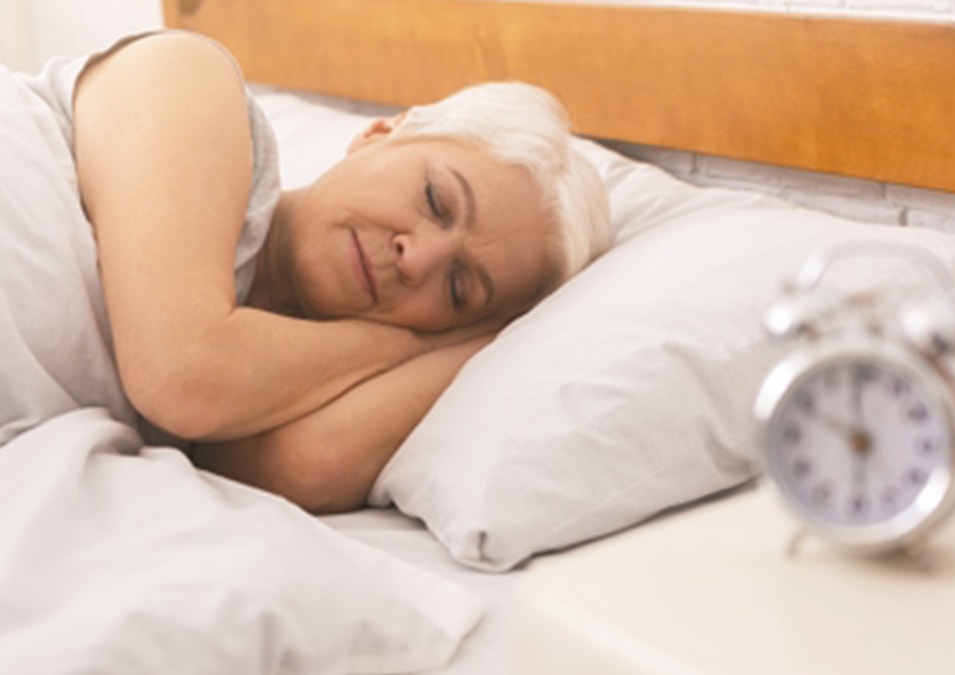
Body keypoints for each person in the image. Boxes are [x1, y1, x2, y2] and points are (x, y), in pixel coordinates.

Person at [0, 31, 611, 511]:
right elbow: (185, 375)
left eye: (458, 287)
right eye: (435, 200)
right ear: (379, 133)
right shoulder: (188, 81)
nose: (417, 258)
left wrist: (479, 344)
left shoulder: (270, 385)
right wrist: (406, 338)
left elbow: (312, 464)